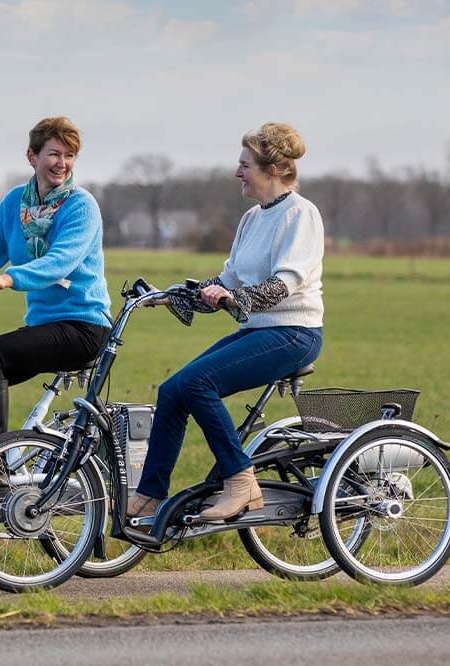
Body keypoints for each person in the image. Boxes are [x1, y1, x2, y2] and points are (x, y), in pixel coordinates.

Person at [128, 122, 324, 522]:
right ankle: (150, 497)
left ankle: (240, 480)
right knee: (172, 390)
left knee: (199, 384)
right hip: (258, 330)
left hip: (293, 333)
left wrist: (239, 299)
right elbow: (228, 280)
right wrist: (168, 297)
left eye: (245, 165)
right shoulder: (253, 218)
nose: (237, 172)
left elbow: (288, 280)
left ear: (272, 170)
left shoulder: (301, 215)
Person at [0, 117, 111, 449]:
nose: (63, 163)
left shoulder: (80, 206)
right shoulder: (16, 204)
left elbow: (60, 261)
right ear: (32, 156)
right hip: (44, 325)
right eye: (55, 154)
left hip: (84, 327)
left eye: (70, 156)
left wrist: (7, 278)